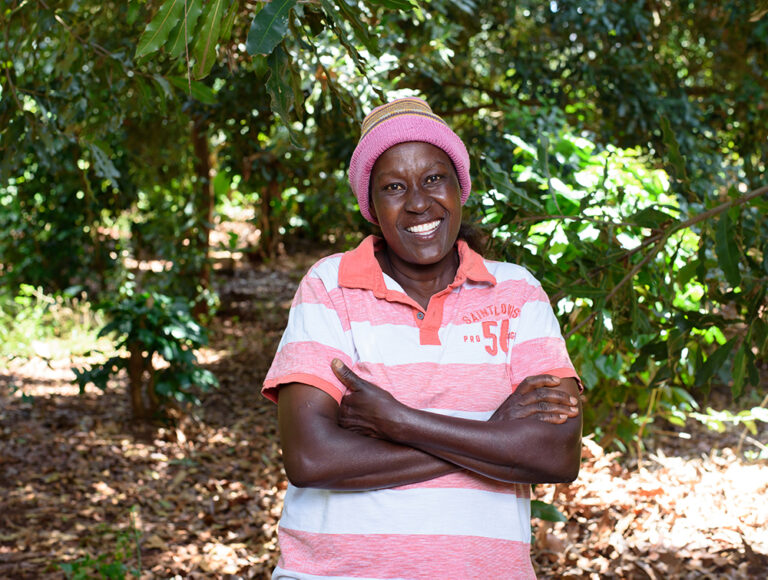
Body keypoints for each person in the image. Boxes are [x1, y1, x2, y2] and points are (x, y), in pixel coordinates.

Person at [262, 97, 582, 579]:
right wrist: (492, 435)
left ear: (460, 188)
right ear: (372, 207)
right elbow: (311, 458)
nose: (417, 202)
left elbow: (555, 453)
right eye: (394, 186)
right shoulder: (330, 287)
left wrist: (400, 420)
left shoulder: (518, 293)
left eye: (434, 178)